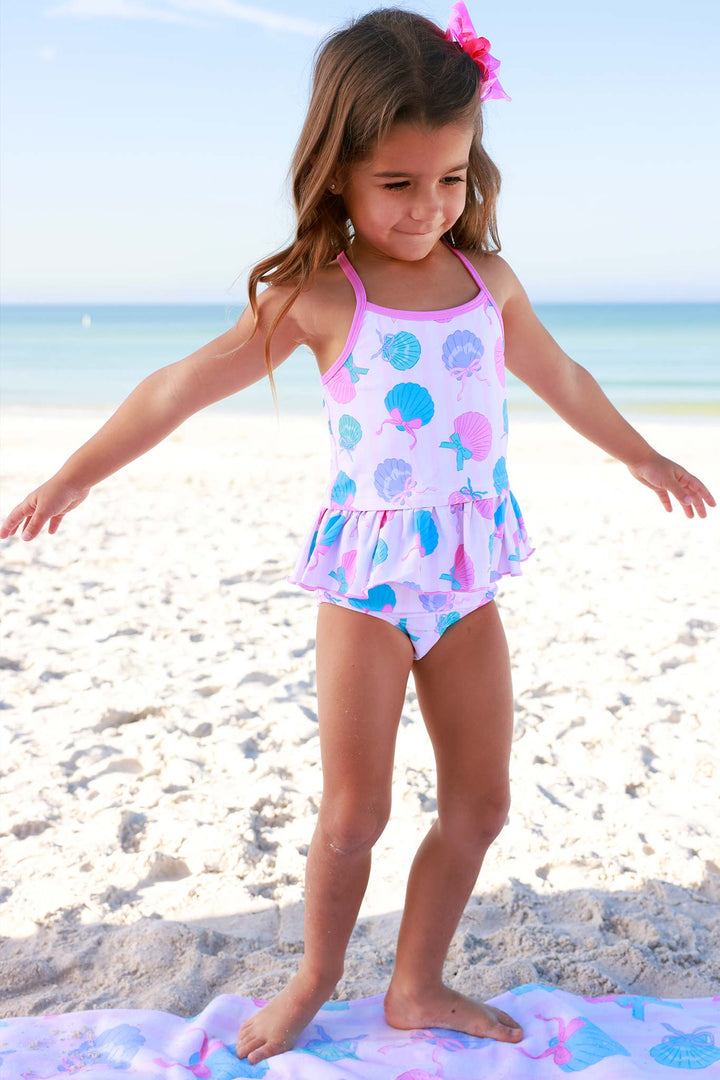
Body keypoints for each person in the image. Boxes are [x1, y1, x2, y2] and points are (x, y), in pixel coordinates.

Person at [1, 2, 715, 1068]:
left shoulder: (490, 284)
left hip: (469, 579)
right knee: (355, 814)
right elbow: (177, 388)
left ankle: (417, 985)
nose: (429, 207)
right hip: (370, 584)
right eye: (398, 183)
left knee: (482, 805)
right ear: (337, 170)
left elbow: (564, 377)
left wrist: (640, 454)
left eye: (451, 178)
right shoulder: (319, 298)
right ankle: (315, 978)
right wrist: (74, 474)